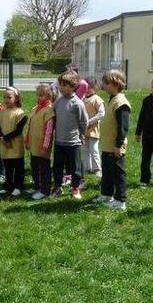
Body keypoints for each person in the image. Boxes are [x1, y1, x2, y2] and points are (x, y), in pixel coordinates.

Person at [92, 69, 131, 211]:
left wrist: (118, 145)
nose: (104, 85)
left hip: (115, 146)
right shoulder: (112, 99)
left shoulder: (121, 103)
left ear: (115, 83)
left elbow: (123, 127)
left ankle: (120, 201)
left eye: (106, 83)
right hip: (107, 146)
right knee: (107, 172)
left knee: (118, 174)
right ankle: (106, 194)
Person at [50, 70, 88, 200]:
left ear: (73, 86)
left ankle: (75, 188)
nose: (61, 88)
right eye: (60, 85)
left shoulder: (78, 103)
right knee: (57, 166)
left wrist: (81, 135)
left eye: (64, 85)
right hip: (59, 141)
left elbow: (84, 121)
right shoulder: (58, 102)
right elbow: (53, 116)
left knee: (75, 168)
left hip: (73, 142)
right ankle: (57, 187)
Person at [25, 84, 55, 200]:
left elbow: (48, 131)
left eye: (41, 95)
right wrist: (27, 140)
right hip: (33, 145)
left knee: (44, 169)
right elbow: (30, 127)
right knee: (34, 167)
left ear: (48, 96)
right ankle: (37, 186)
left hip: (42, 147)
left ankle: (45, 190)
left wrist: (45, 147)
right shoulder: (34, 109)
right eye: (37, 95)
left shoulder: (49, 110)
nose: (38, 98)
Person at [0, 87, 27, 196]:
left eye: (9, 97)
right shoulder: (2, 112)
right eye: (4, 97)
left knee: (18, 168)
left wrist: (6, 138)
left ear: (16, 98)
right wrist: (2, 138)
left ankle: (19, 186)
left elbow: (18, 130)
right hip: (5, 144)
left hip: (15, 145)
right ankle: (8, 186)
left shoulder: (20, 113)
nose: (6, 99)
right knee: (8, 168)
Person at [82, 77, 105, 177]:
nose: (87, 90)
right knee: (86, 150)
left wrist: (90, 121)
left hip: (93, 129)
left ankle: (97, 169)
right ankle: (87, 167)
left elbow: (101, 114)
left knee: (94, 150)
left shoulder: (97, 99)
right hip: (84, 129)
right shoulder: (82, 99)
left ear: (94, 88)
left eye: (89, 88)